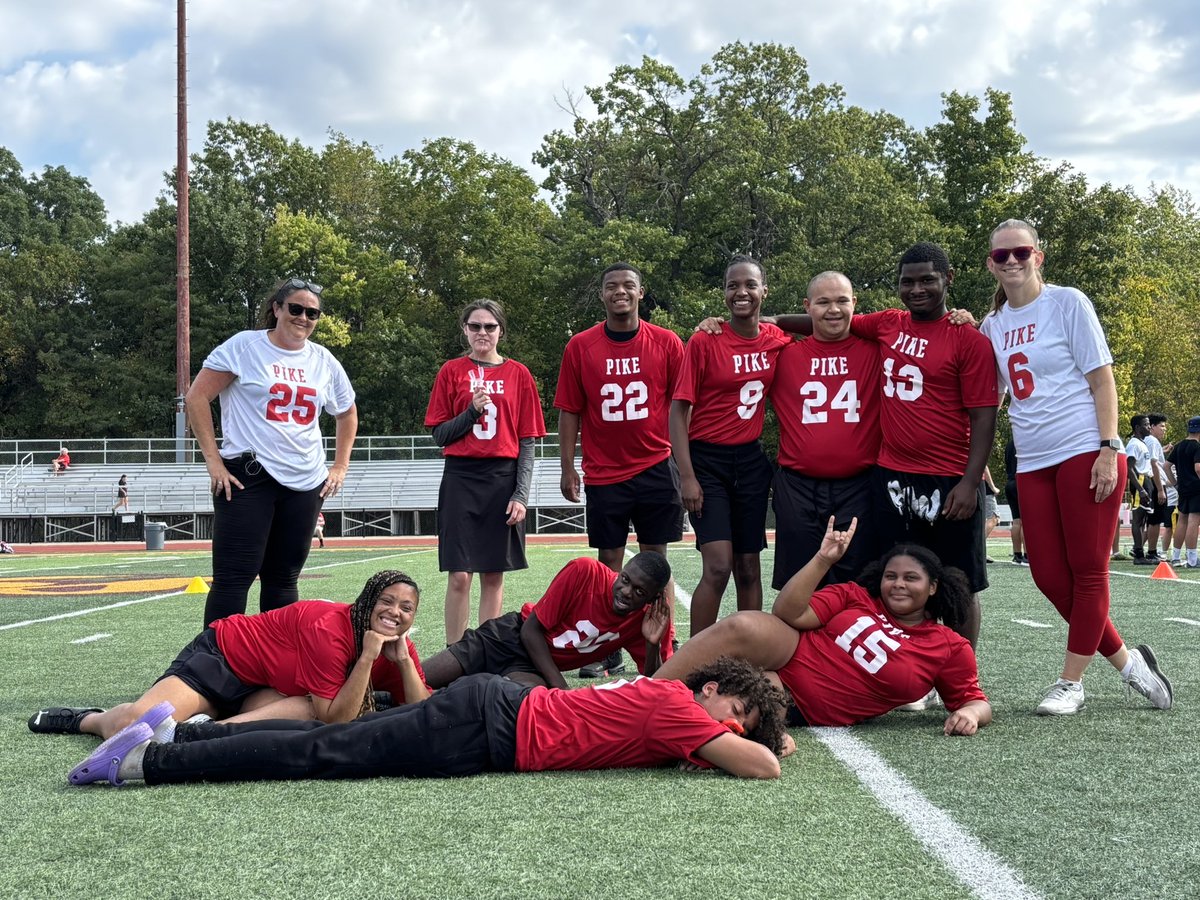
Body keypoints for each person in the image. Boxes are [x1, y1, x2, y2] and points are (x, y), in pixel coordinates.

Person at [979, 218, 1173, 715]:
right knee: (1046, 573)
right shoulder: (992, 325)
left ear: (1038, 257)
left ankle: (1071, 682)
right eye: (1002, 256)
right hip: (1033, 458)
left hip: (1084, 449)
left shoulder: (1067, 302)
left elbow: (1102, 380)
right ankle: (1130, 665)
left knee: (1088, 570)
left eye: (1021, 252)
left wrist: (1110, 446)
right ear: (991, 265)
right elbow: (989, 397)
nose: (1012, 262)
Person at [66, 656, 791, 788]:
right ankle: (147, 764)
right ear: (718, 689)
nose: (735, 724)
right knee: (324, 755)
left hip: (491, 719)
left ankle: (176, 737)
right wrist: (763, 740)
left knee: (328, 744)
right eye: (739, 711)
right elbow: (765, 767)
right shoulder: (677, 709)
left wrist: (761, 728)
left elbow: (741, 748)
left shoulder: (676, 714)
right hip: (484, 728)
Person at [769, 243, 997, 654]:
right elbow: (829, 320)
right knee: (899, 579)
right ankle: (905, 664)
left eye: (927, 279)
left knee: (957, 580)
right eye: (908, 281)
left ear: (949, 279)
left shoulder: (968, 338)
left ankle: (961, 674)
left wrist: (969, 480)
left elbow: (984, 416)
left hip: (947, 475)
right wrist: (767, 319)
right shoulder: (887, 325)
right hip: (891, 475)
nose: (917, 289)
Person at [653, 518, 992, 735]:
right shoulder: (858, 595)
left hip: (803, 697)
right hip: (792, 647)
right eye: (891, 576)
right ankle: (648, 690)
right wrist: (823, 560)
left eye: (910, 578)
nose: (898, 585)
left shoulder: (948, 645)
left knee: (756, 699)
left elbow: (975, 700)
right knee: (745, 624)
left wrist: (972, 716)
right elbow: (788, 613)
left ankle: (678, 724)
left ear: (932, 586)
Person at [29, 571, 431, 741]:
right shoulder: (330, 627)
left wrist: (405, 662)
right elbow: (336, 718)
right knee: (140, 727)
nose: (395, 613)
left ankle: (205, 736)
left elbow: (424, 709)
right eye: (386, 601)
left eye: (406, 608)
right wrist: (365, 660)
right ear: (366, 602)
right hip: (224, 660)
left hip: (269, 686)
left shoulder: (397, 645)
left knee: (308, 708)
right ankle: (85, 718)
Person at [185, 277, 358, 627]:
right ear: (277, 309)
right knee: (235, 577)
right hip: (250, 476)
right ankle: (214, 667)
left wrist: (340, 466)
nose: (304, 318)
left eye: (313, 313)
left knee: (283, 579)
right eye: (296, 308)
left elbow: (347, 412)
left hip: (306, 481)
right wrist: (213, 462)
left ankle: (274, 665)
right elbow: (196, 397)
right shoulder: (245, 347)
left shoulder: (323, 359)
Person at [555, 262, 686, 678]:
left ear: (641, 292)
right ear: (602, 295)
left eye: (628, 286)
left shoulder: (666, 342)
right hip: (605, 471)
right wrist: (566, 467)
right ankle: (607, 641)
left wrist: (685, 466)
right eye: (612, 287)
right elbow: (570, 411)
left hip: (654, 464)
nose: (621, 292)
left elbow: (682, 408)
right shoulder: (580, 346)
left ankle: (665, 637)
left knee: (656, 560)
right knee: (608, 562)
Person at [670, 255, 791, 636]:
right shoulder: (706, 340)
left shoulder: (775, 339)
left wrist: (777, 320)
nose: (741, 292)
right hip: (707, 462)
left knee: (749, 566)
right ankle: (695, 661)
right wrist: (686, 476)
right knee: (718, 565)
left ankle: (748, 659)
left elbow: (824, 322)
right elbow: (677, 412)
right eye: (732, 286)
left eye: (750, 285)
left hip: (751, 461)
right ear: (723, 293)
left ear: (764, 291)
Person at [426, 299, 546, 645]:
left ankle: (484, 653)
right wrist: (471, 412)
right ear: (465, 330)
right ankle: (454, 653)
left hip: (502, 478)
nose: (482, 332)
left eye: (489, 326)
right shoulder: (451, 371)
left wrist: (520, 494)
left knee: (493, 575)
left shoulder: (518, 374)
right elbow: (440, 435)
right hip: (461, 477)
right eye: (475, 326)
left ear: (501, 331)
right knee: (459, 576)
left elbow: (527, 441)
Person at [767, 271, 881, 589]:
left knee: (858, 582)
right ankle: (799, 642)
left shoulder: (876, 350)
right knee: (800, 582)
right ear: (807, 306)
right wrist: (716, 324)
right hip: (798, 486)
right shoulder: (783, 354)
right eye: (823, 302)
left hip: (859, 486)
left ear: (855, 303)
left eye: (842, 301)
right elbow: (747, 328)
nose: (833, 309)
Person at [421, 552, 675, 690]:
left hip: (534, 668)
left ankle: (458, 688)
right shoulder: (586, 571)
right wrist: (563, 690)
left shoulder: (651, 620)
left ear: (653, 599)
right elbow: (531, 631)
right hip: (505, 638)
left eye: (640, 592)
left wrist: (652, 643)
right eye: (626, 580)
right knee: (414, 680)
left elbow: (655, 682)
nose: (626, 592)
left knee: (510, 700)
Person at [1125, 414, 1160, 565]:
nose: (1149, 427)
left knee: (1144, 519)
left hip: (1147, 480)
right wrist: (1140, 489)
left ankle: (1140, 552)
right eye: (1146, 425)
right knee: (1138, 519)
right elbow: (1129, 468)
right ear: (1137, 428)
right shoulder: (1133, 444)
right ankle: (1138, 554)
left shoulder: (1142, 443)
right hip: (1140, 481)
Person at [1167, 417, 1200, 568]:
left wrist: (1175, 484)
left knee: (1182, 520)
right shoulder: (1197, 446)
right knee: (1194, 521)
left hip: (1183, 489)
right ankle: (1192, 559)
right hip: (1196, 488)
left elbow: (1166, 466)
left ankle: (1175, 556)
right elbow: (1198, 468)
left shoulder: (1180, 446)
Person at [1144, 413, 1172, 562]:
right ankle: (1152, 552)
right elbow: (1154, 464)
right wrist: (1160, 489)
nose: (1164, 429)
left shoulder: (1148, 441)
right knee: (1155, 520)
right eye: (1161, 426)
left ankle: (1139, 549)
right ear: (1152, 427)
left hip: (1148, 482)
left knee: (1148, 519)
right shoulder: (1153, 441)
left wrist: (1163, 450)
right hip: (1155, 483)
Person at [1003, 438, 1028, 565]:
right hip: (1021, 482)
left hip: (1010, 482)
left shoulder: (1009, 444)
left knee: (1017, 521)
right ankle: (1027, 555)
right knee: (1026, 521)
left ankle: (1017, 555)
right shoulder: (1024, 441)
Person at [982, 465, 1000, 564]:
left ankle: (980, 549)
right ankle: (979, 548)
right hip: (983, 487)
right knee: (993, 518)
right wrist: (992, 487)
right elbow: (984, 466)